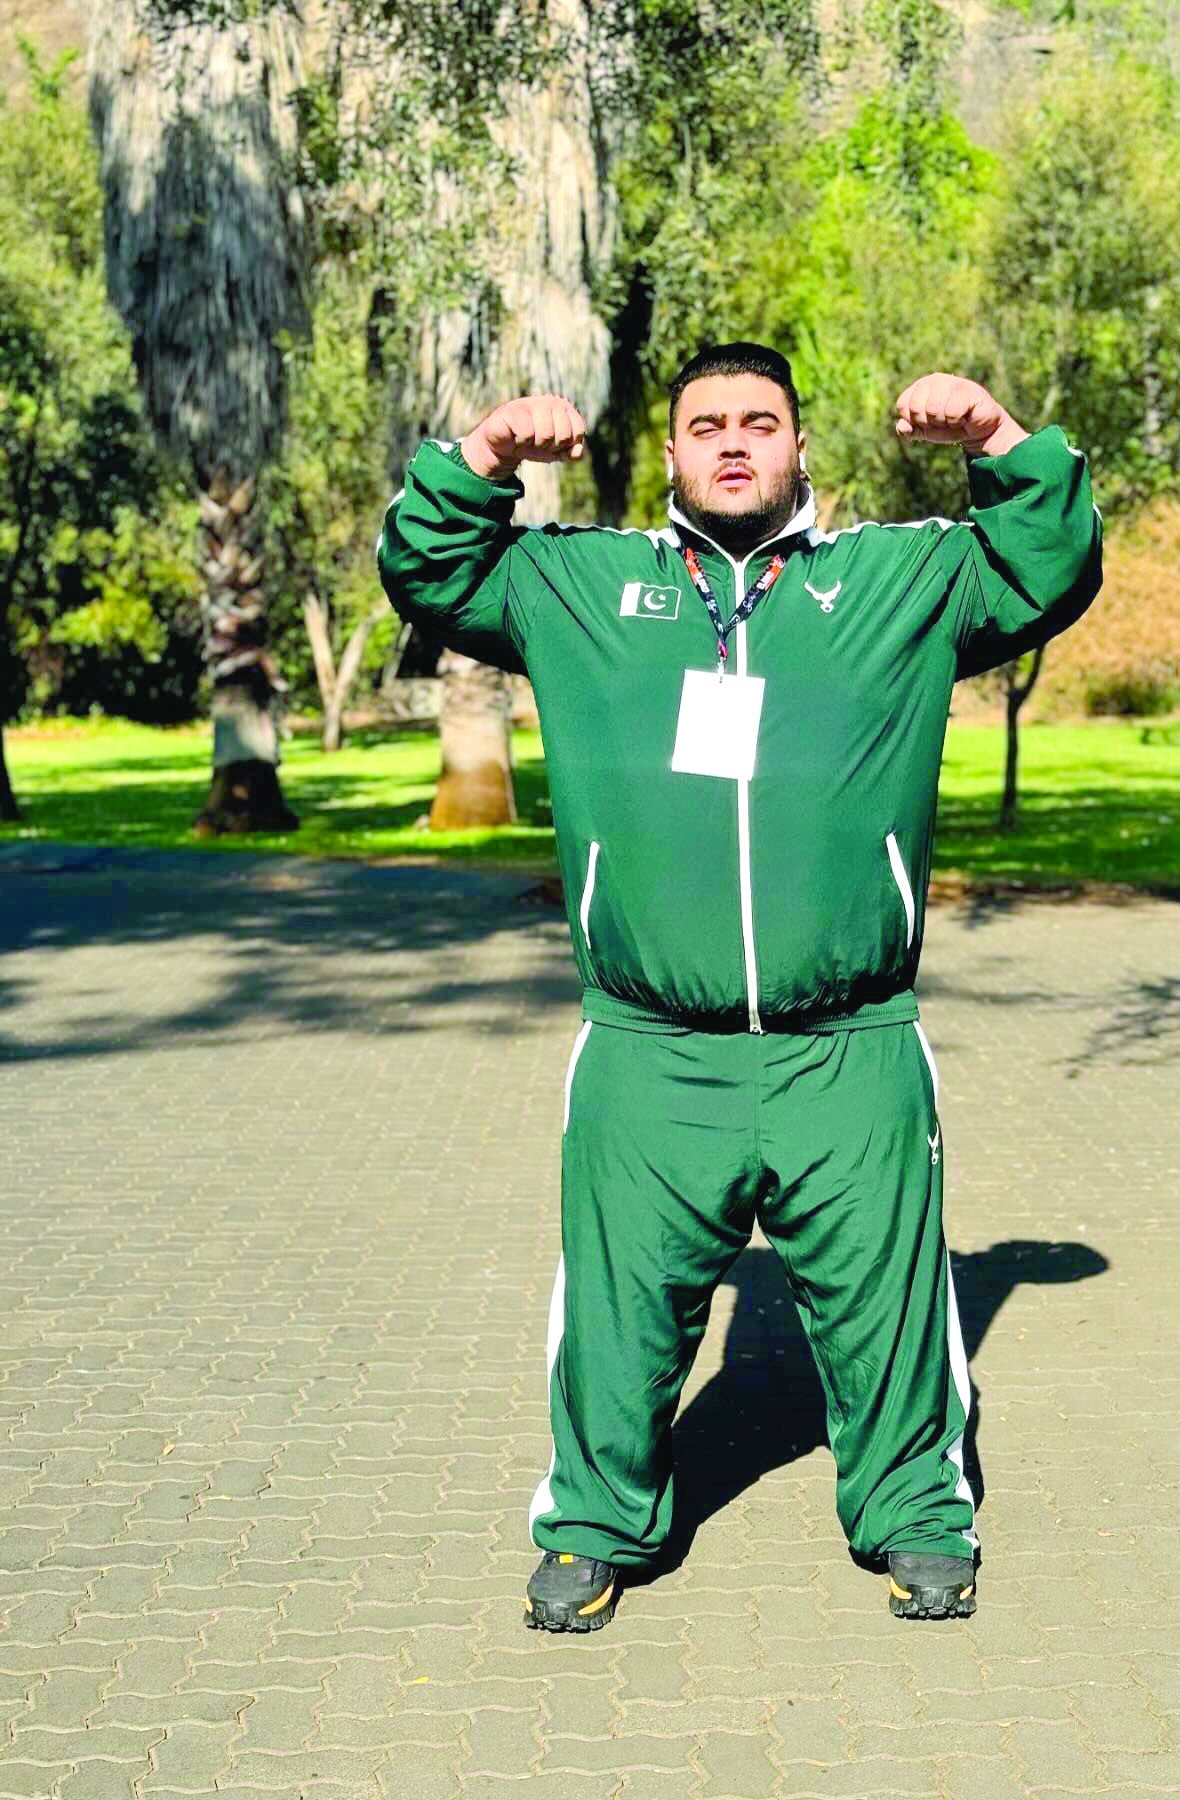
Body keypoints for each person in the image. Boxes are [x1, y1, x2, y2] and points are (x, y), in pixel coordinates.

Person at [377, 342, 1103, 1632]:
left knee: (891, 1308)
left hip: (851, 1044)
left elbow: (1048, 565)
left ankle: (918, 1517)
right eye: (704, 424)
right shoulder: (579, 583)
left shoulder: (902, 577)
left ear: (799, 446)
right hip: (654, 1048)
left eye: (759, 423)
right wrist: (485, 455)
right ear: (668, 453)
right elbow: (428, 569)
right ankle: (596, 1528)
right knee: (619, 1314)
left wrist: (997, 435)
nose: (731, 443)